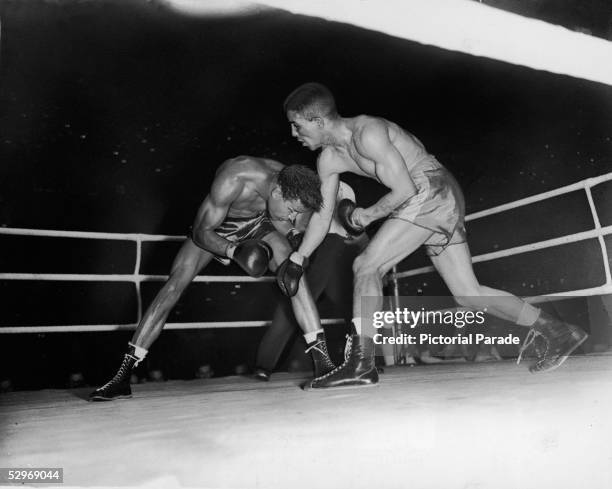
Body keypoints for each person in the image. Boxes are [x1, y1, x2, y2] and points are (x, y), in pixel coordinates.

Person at [277, 82, 588, 388]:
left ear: (318, 121)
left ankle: (361, 363)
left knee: (367, 265)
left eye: (297, 125)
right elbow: (322, 213)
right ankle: (558, 331)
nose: (294, 134)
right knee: (467, 294)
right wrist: (297, 258)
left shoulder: (367, 133)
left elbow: (405, 189)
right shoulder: (328, 160)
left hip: (430, 188)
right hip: (434, 198)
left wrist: (367, 215)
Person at [89, 156, 336, 401]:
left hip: (259, 223)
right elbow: (200, 231)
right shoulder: (235, 177)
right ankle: (122, 377)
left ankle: (323, 363)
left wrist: (293, 236)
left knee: (292, 273)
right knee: (174, 285)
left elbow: (289, 220)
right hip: (217, 229)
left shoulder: (291, 182)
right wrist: (234, 251)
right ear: (277, 192)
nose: (292, 216)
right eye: (292, 211)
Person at [254, 181, 366, 380]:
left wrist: (362, 243)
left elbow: (350, 222)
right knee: (298, 300)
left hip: (336, 246)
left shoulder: (345, 187)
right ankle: (264, 364)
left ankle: (358, 362)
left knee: (348, 303)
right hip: (310, 245)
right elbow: (287, 218)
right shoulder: (310, 184)